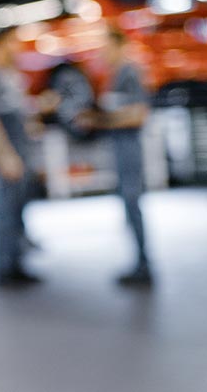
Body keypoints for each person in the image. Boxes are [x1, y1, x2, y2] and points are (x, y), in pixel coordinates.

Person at [0, 26, 53, 287]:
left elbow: (22, 114)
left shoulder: (12, 77)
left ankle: (18, 263)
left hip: (21, 153)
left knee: (18, 209)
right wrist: (5, 156)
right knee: (4, 212)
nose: (16, 48)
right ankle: (5, 269)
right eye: (11, 43)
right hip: (4, 158)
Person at [77, 28, 154, 286]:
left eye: (107, 48)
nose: (104, 53)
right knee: (127, 205)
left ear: (121, 46)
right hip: (120, 150)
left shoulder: (130, 73)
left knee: (132, 204)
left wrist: (99, 121)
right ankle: (138, 262)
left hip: (130, 150)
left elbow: (138, 115)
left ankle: (143, 265)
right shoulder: (114, 76)